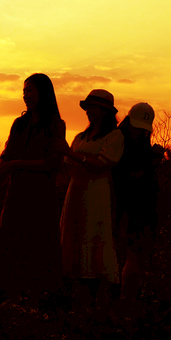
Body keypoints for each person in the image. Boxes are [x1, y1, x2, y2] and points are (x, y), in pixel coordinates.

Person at [0, 73, 66, 304]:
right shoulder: (19, 123)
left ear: (44, 92)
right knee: (10, 248)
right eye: (24, 91)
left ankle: (39, 302)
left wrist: (17, 164)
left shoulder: (55, 125)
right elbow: (6, 156)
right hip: (16, 194)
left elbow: (51, 164)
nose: (26, 96)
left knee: (37, 248)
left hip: (40, 196)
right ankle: (8, 300)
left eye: (30, 91)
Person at [58, 89, 124, 313]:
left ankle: (98, 299)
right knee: (73, 236)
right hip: (75, 191)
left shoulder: (114, 137)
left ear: (105, 111)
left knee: (94, 236)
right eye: (88, 108)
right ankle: (75, 300)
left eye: (94, 108)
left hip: (96, 194)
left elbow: (102, 163)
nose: (90, 112)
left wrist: (71, 154)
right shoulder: (81, 137)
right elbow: (69, 165)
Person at [113, 103, 159, 306]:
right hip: (123, 206)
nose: (140, 131)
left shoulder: (140, 143)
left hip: (142, 207)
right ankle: (121, 302)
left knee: (136, 256)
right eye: (138, 126)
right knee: (122, 255)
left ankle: (127, 301)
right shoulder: (118, 141)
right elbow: (129, 176)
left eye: (144, 128)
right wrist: (153, 162)